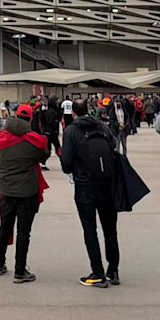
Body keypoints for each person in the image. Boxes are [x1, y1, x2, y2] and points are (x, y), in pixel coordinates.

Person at [60, 99, 121, 288]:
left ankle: (97, 272)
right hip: (107, 182)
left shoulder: (71, 130)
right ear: (88, 109)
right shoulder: (102, 126)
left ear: (73, 113)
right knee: (110, 228)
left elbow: (66, 162)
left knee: (90, 229)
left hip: (85, 184)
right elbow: (113, 146)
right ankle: (113, 270)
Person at [0, 104, 50, 283]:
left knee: (4, 227)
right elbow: (44, 155)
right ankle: (19, 270)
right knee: (23, 232)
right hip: (27, 192)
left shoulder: (0, 139)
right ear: (30, 118)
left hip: (6, 191)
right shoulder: (33, 141)